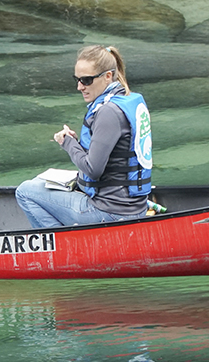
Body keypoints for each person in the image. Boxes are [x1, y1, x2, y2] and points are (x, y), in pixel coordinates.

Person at [14, 44, 153, 228]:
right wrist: (76, 143)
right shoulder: (128, 101)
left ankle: (63, 249)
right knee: (40, 184)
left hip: (110, 213)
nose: (79, 87)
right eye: (77, 79)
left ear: (108, 76)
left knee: (25, 191)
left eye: (86, 80)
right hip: (135, 208)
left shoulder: (108, 112)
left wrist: (67, 143)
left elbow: (92, 169)